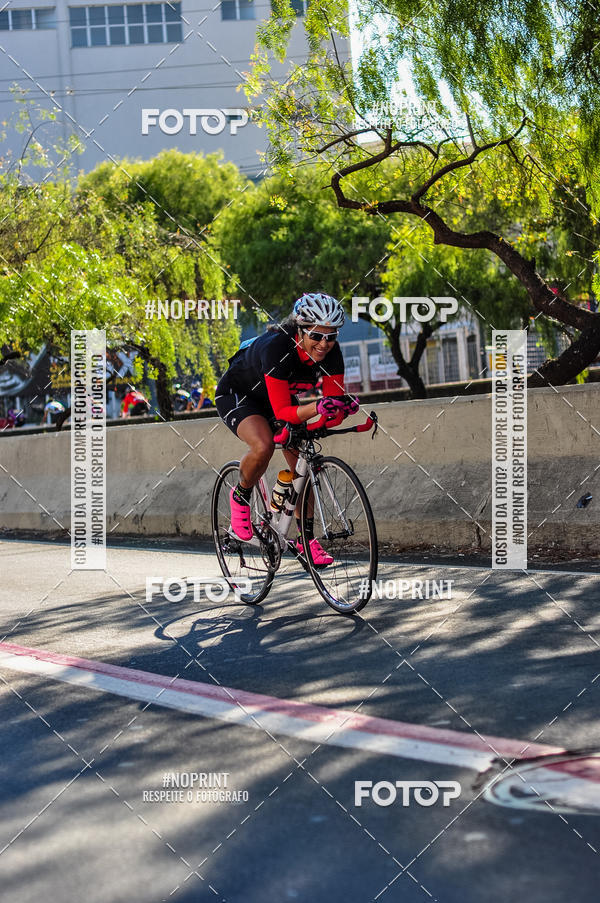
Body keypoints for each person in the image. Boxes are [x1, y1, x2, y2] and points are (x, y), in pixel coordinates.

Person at [215, 292, 359, 565]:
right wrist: (320, 407)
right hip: (240, 395)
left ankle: (306, 541)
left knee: (302, 465)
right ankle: (241, 495)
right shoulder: (277, 347)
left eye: (331, 336)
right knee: (264, 445)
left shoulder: (331, 353)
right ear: (300, 330)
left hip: (278, 397)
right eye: (316, 335)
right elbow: (284, 412)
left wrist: (340, 410)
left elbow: (330, 409)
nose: (324, 344)